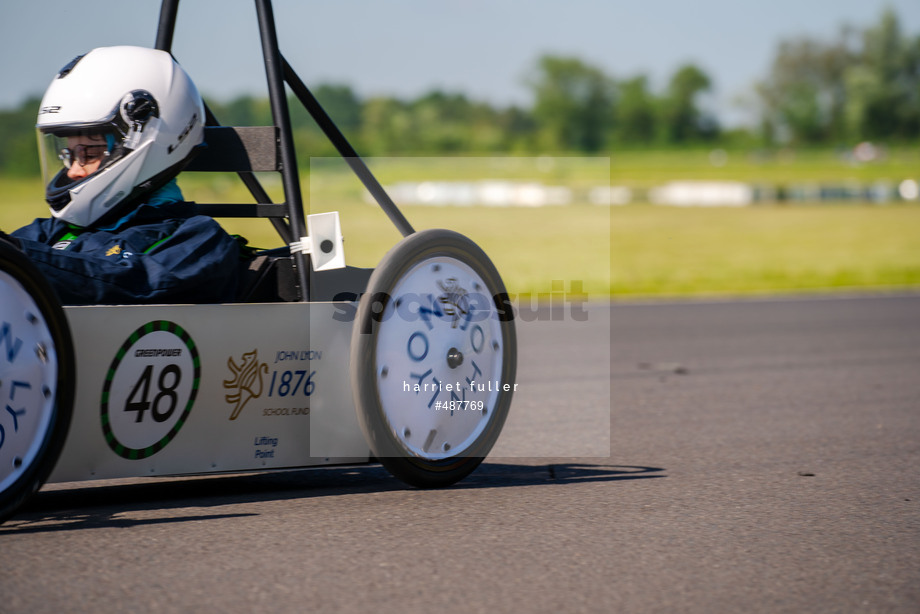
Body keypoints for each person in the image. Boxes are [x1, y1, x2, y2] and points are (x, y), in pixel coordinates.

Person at [0, 46, 241, 305]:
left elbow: (129, 282)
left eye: (89, 152)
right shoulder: (52, 232)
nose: (73, 171)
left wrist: (19, 258)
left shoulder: (198, 239)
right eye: (69, 154)